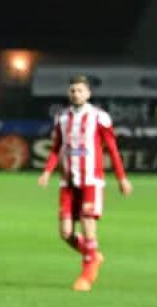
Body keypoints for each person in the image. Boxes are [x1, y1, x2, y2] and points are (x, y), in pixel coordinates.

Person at [37, 74, 133, 292]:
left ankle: (86, 276)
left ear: (88, 93)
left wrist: (122, 179)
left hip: (91, 180)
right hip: (68, 182)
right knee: (65, 233)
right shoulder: (62, 118)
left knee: (88, 225)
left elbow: (112, 149)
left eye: (80, 90)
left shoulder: (100, 117)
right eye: (72, 90)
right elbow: (55, 149)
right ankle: (93, 256)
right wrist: (47, 172)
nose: (76, 94)